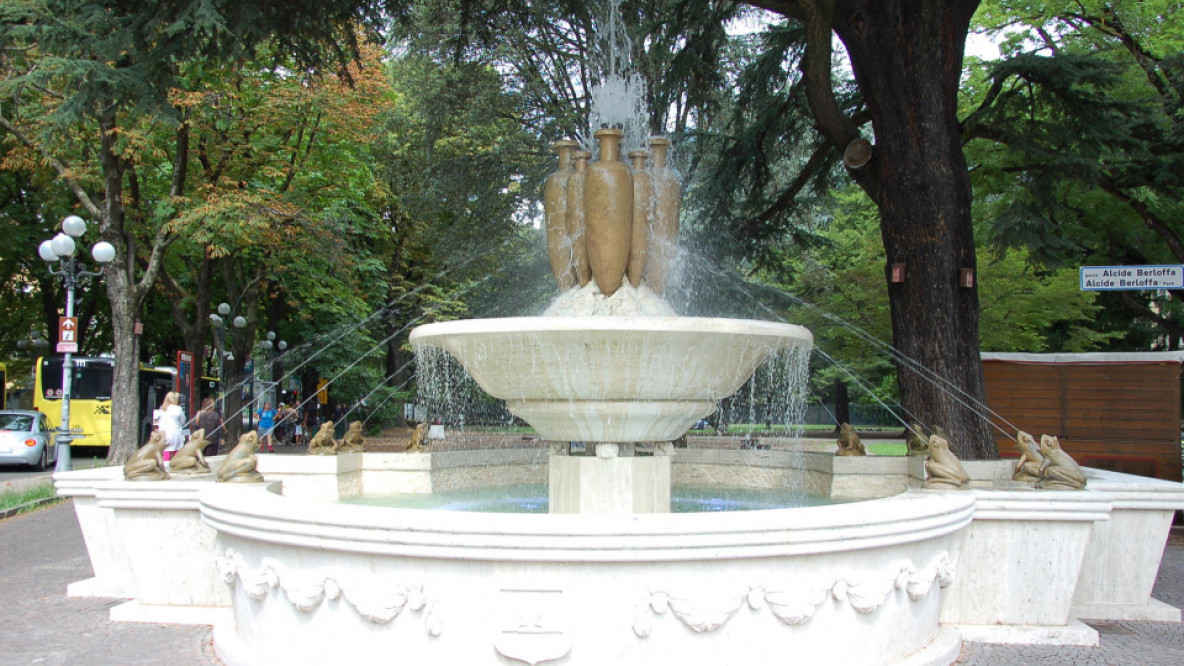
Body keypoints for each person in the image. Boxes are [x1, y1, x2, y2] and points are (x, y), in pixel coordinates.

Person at [156, 391, 186, 462]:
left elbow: (159, 422)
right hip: (175, 432)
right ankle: (175, 464)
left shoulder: (162, 409)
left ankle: (165, 464)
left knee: (166, 450)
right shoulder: (178, 408)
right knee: (177, 449)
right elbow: (183, 421)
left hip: (164, 433)